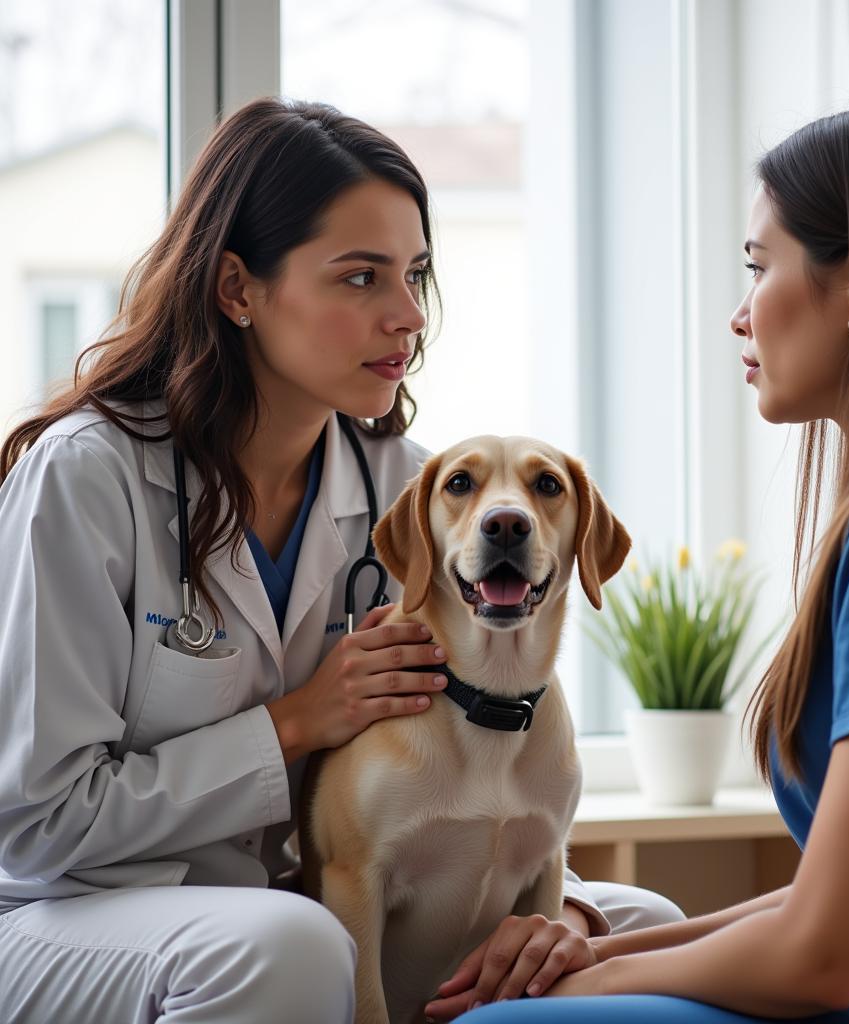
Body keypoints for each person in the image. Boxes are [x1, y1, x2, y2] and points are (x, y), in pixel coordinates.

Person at [0, 97, 681, 1024]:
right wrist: (293, 724)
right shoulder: (86, 477)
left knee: (638, 920)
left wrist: (553, 909)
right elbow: (39, 825)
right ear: (238, 290)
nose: (407, 316)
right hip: (73, 911)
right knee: (291, 949)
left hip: (283, 890)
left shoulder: (413, 487)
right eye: (361, 278)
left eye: (415, 275)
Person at [450, 92, 849, 1022]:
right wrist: (596, 950)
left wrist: (591, 978)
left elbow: (832, 953)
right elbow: (837, 904)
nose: (738, 315)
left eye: (760, 267)